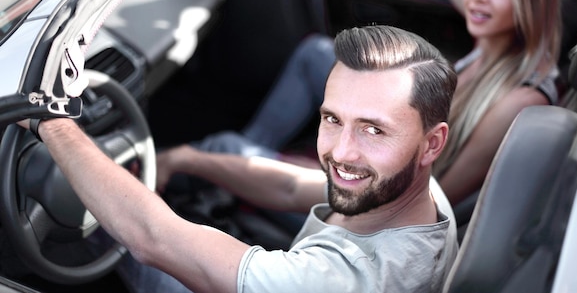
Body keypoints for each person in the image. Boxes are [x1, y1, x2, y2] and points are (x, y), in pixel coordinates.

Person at [161, 0, 562, 207]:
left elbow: (432, 198)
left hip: (375, 197)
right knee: (317, 54)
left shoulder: (518, 98)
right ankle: (235, 180)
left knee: (222, 148)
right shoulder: (492, 36)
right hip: (384, 145)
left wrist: (321, 170)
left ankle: (229, 173)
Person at [27, 25, 459, 293]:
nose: (342, 152)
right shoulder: (415, 189)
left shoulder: (346, 280)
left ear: (432, 144)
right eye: (332, 119)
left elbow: (149, 238)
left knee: (102, 226)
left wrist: (52, 122)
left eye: (374, 129)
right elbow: (290, 185)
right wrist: (187, 158)